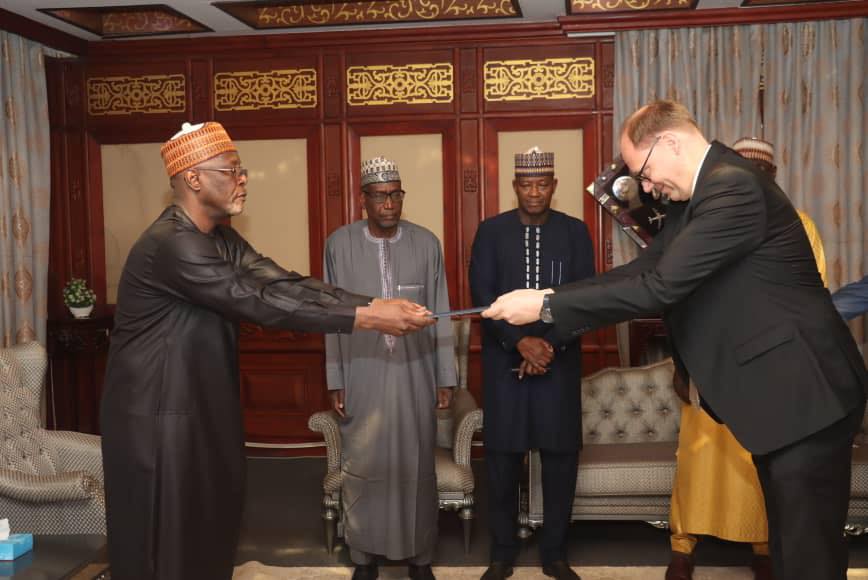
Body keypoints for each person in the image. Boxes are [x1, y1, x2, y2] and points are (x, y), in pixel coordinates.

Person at [482, 100, 868, 580]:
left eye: (643, 173)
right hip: (781, 399)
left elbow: (661, 287)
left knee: (807, 555)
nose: (645, 187)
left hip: (805, 394)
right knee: (791, 546)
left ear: (670, 142)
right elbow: (640, 269)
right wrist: (546, 294)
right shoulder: (699, 195)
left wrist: (542, 309)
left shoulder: (733, 187)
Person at [100, 123, 434, 580]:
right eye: (231, 170)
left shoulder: (220, 238)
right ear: (194, 178)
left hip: (201, 408)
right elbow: (256, 301)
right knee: (167, 542)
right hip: (158, 419)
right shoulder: (171, 244)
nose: (243, 179)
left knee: (212, 526)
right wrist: (371, 318)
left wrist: (373, 304)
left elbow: (280, 283)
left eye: (242, 170)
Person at [662, 136, 830, 580]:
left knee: (764, 469)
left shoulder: (798, 224)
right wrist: (684, 366)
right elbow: (676, 298)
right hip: (710, 368)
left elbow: (812, 304)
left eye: (763, 171)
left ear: (773, 178)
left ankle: (764, 547)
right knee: (697, 467)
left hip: (768, 375)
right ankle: (682, 546)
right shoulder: (700, 223)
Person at [323, 156, 457, 580]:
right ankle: (364, 558)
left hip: (415, 374)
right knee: (364, 462)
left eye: (395, 195)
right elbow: (330, 316)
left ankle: (420, 557)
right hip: (362, 373)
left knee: (416, 465)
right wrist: (336, 377)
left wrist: (445, 376)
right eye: (380, 196)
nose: (389, 204)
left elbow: (442, 313)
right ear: (363, 199)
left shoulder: (426, 243)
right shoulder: (339, 245)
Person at [469, 147, 595, 580]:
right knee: (502, 462)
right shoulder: (491, 232)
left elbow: (583, 302)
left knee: (561, 462)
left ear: (554, 186)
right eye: (526, 185)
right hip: (505, 365)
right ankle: (502, 553)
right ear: (515, 187)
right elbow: (482, 299)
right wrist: (520, 343)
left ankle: (555, 555)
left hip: (558, 367)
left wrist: (547, 348)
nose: (535, 192)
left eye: (543, 185)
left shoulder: (576, 232)